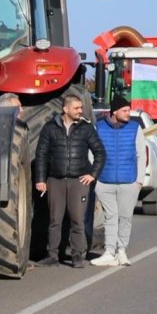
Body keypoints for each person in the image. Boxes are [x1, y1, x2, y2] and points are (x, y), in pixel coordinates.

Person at [33, 94, 105, 267]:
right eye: (77, 108)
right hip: (55, 181)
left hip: (78, 181)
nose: (81, 111)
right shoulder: (50, 128)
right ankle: (52, 255)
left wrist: (92, 175)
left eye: (81, 108)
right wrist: (40, 179)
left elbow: (100, 153)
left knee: (77, 219)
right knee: (54, 220)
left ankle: (77, 255)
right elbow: (41, 155)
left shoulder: (86, 129)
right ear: (65, 109)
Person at [91, 97, 142, 267]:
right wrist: (95, 177)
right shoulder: (99, 127)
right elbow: (92, 153)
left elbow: (141, 155)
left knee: (125, 217)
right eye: (125, 111)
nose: (128, 114)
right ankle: (109, 252)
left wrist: (139, 181)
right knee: (110, 217)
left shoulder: (135, 128)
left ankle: (122, 251)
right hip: (104, 181)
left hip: (129, 182)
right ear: (114, 112)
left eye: (129, 110)